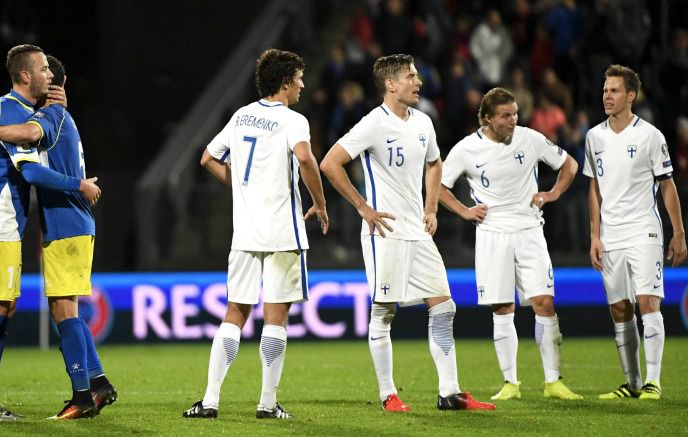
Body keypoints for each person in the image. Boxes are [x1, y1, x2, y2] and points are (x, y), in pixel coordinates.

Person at [320, 53, 496, 412]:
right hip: (384, 231)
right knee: (384, 311)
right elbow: (329, 163)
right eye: (411, 76)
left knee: (444, 307)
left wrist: (431, 207)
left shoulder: (424, 123)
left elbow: (435, 163)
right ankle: (388, 393)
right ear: (390, 84)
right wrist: (362, 207)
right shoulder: (373, 123)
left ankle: (450, 392)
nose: (418, 82)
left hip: (417, 230)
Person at [182, 48, 328, 420]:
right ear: (285, 83)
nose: (302, 85)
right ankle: (266, 403)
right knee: (276, 317)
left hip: (245, 232)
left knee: (235, 312)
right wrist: (320, 202)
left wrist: (242, 190)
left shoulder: (242, 115)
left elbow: (207, 158)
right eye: (298, 78)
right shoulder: (293, 120)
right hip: (283, 232)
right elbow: (306, 157)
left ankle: (210, 401)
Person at [0, 44, 101, 421]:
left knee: (3, 309)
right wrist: (80, 184)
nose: (49, 76)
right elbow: (33, 172)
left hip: (7, 223)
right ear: (26, 75)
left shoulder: (17, 113)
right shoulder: (11, 108)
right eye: (43, 69)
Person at [439, 87, 583, 401]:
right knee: (503, 307)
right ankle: (510, 383)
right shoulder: (467, 149)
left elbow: (569, 164)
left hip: (530, 230)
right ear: (488, 118)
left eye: (515, 113)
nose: (513, 120)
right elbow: (437, 185)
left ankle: (553, 381)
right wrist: (464, 211)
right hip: (492, 233)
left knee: (544, 302)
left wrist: (553, 193)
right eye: (506, 115)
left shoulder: (530, 138)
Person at [585, 65, 687, 400]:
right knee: (619, 308)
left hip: (644, 229)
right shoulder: (594, 137)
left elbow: (667, 186)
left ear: (631, 95)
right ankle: (632, 383)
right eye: (605, 90)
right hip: (610, 234)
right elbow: (594, 189)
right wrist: (595, 235)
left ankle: (654, 382)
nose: (607, 96)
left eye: (614, 91)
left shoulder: (650, 136)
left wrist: (679, 233)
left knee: (647, 301)